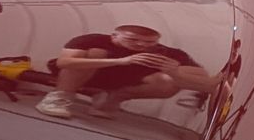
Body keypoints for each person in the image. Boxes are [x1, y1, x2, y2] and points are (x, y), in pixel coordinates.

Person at [37, 24, 216, 118]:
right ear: (114, 36)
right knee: (95, 54)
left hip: (121, 83)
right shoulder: (94, 40)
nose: (141, 45)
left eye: (149, 43)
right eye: (133, 40)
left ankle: (111, 99)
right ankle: (60, 97)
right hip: (86, 75)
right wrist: (121, 60)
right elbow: (64, 62)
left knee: (169, 80)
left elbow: (204, 80)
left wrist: (174, 72)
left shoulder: (166, 53)